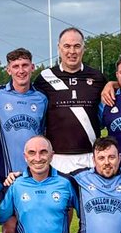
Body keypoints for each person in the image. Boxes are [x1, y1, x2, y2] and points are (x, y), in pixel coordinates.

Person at [33, 28, 107, 173]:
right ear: (59, 48)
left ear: (83, 49)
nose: (72, 51)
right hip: (56, 157)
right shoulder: (45, 78)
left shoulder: (98, 77)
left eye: (77, 46)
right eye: (67, 46)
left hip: (90, 156)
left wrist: (112, 84)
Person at [0, 47, 48, 176]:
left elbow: (44, 131)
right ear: (8, 70)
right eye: (15, 66)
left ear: (32, 67)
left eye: (25, 65)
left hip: (35, 173)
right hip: (6, 173)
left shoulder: (42, 98)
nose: (21, 71)